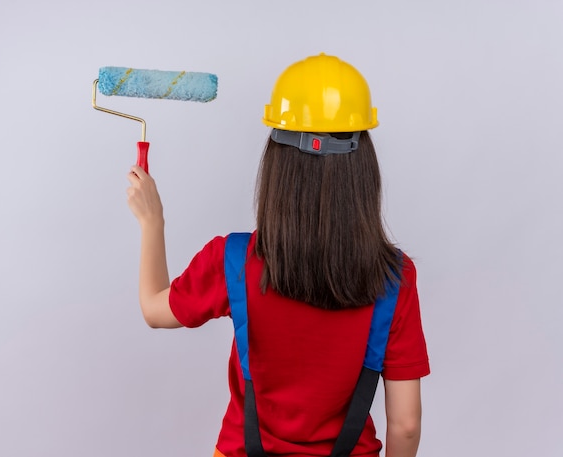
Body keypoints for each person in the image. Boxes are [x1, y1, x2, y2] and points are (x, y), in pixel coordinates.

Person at [126, 54, 430, 457]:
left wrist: (153, 222)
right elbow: (406, 425)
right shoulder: (394, 278)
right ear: (363, 169)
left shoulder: (232, 260)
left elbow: (154, 309)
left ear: (277, 167)